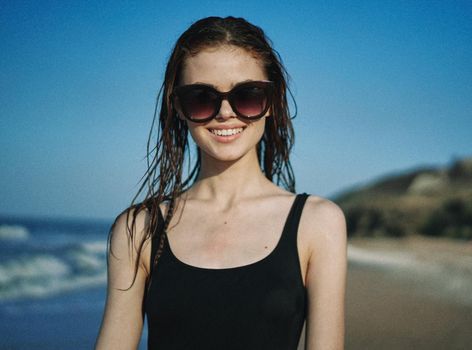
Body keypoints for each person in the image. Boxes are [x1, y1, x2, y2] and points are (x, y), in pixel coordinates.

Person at [95, 16, 347, 350]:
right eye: (202, 97)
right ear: (178, 108)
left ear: (271, 101)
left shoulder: (317, 223)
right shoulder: (139, 228)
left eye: (247, 95)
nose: (225, 112)